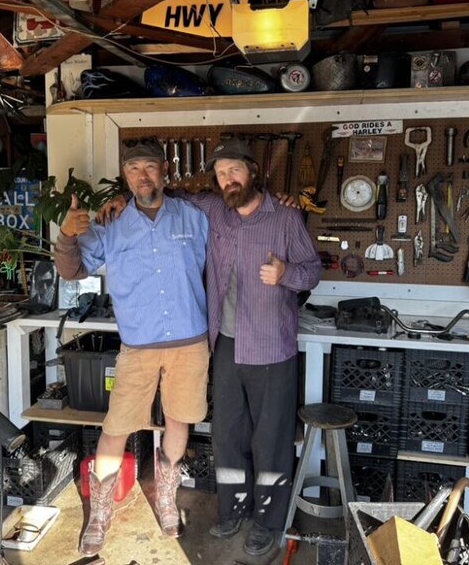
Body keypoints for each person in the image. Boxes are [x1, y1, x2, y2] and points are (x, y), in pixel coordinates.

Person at [99, 137, 322, 556]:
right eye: (220, 174)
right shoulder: (214, 210)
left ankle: (267, 523)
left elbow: (312, 271)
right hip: (224, 344)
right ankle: (232, 511)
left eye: (234, 170)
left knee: (270, 441)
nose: (228, 179)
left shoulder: (286, 218)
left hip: (271, 349)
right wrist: (123, 197)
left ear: (253, 171)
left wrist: (287, 273)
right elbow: (158, 193)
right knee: (227, 436)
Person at [55, 137, 210, 556]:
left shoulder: (195, 216)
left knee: (178, 421)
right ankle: (99, 513)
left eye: (150, 167)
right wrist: (66, 234)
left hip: (189, 343)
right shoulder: (111, 224)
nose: (142, 176)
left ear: (165, 170)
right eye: (133, 169)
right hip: (138, 346)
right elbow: (72, 270)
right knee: (115, 428)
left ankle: (167, 499)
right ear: (125, 176)